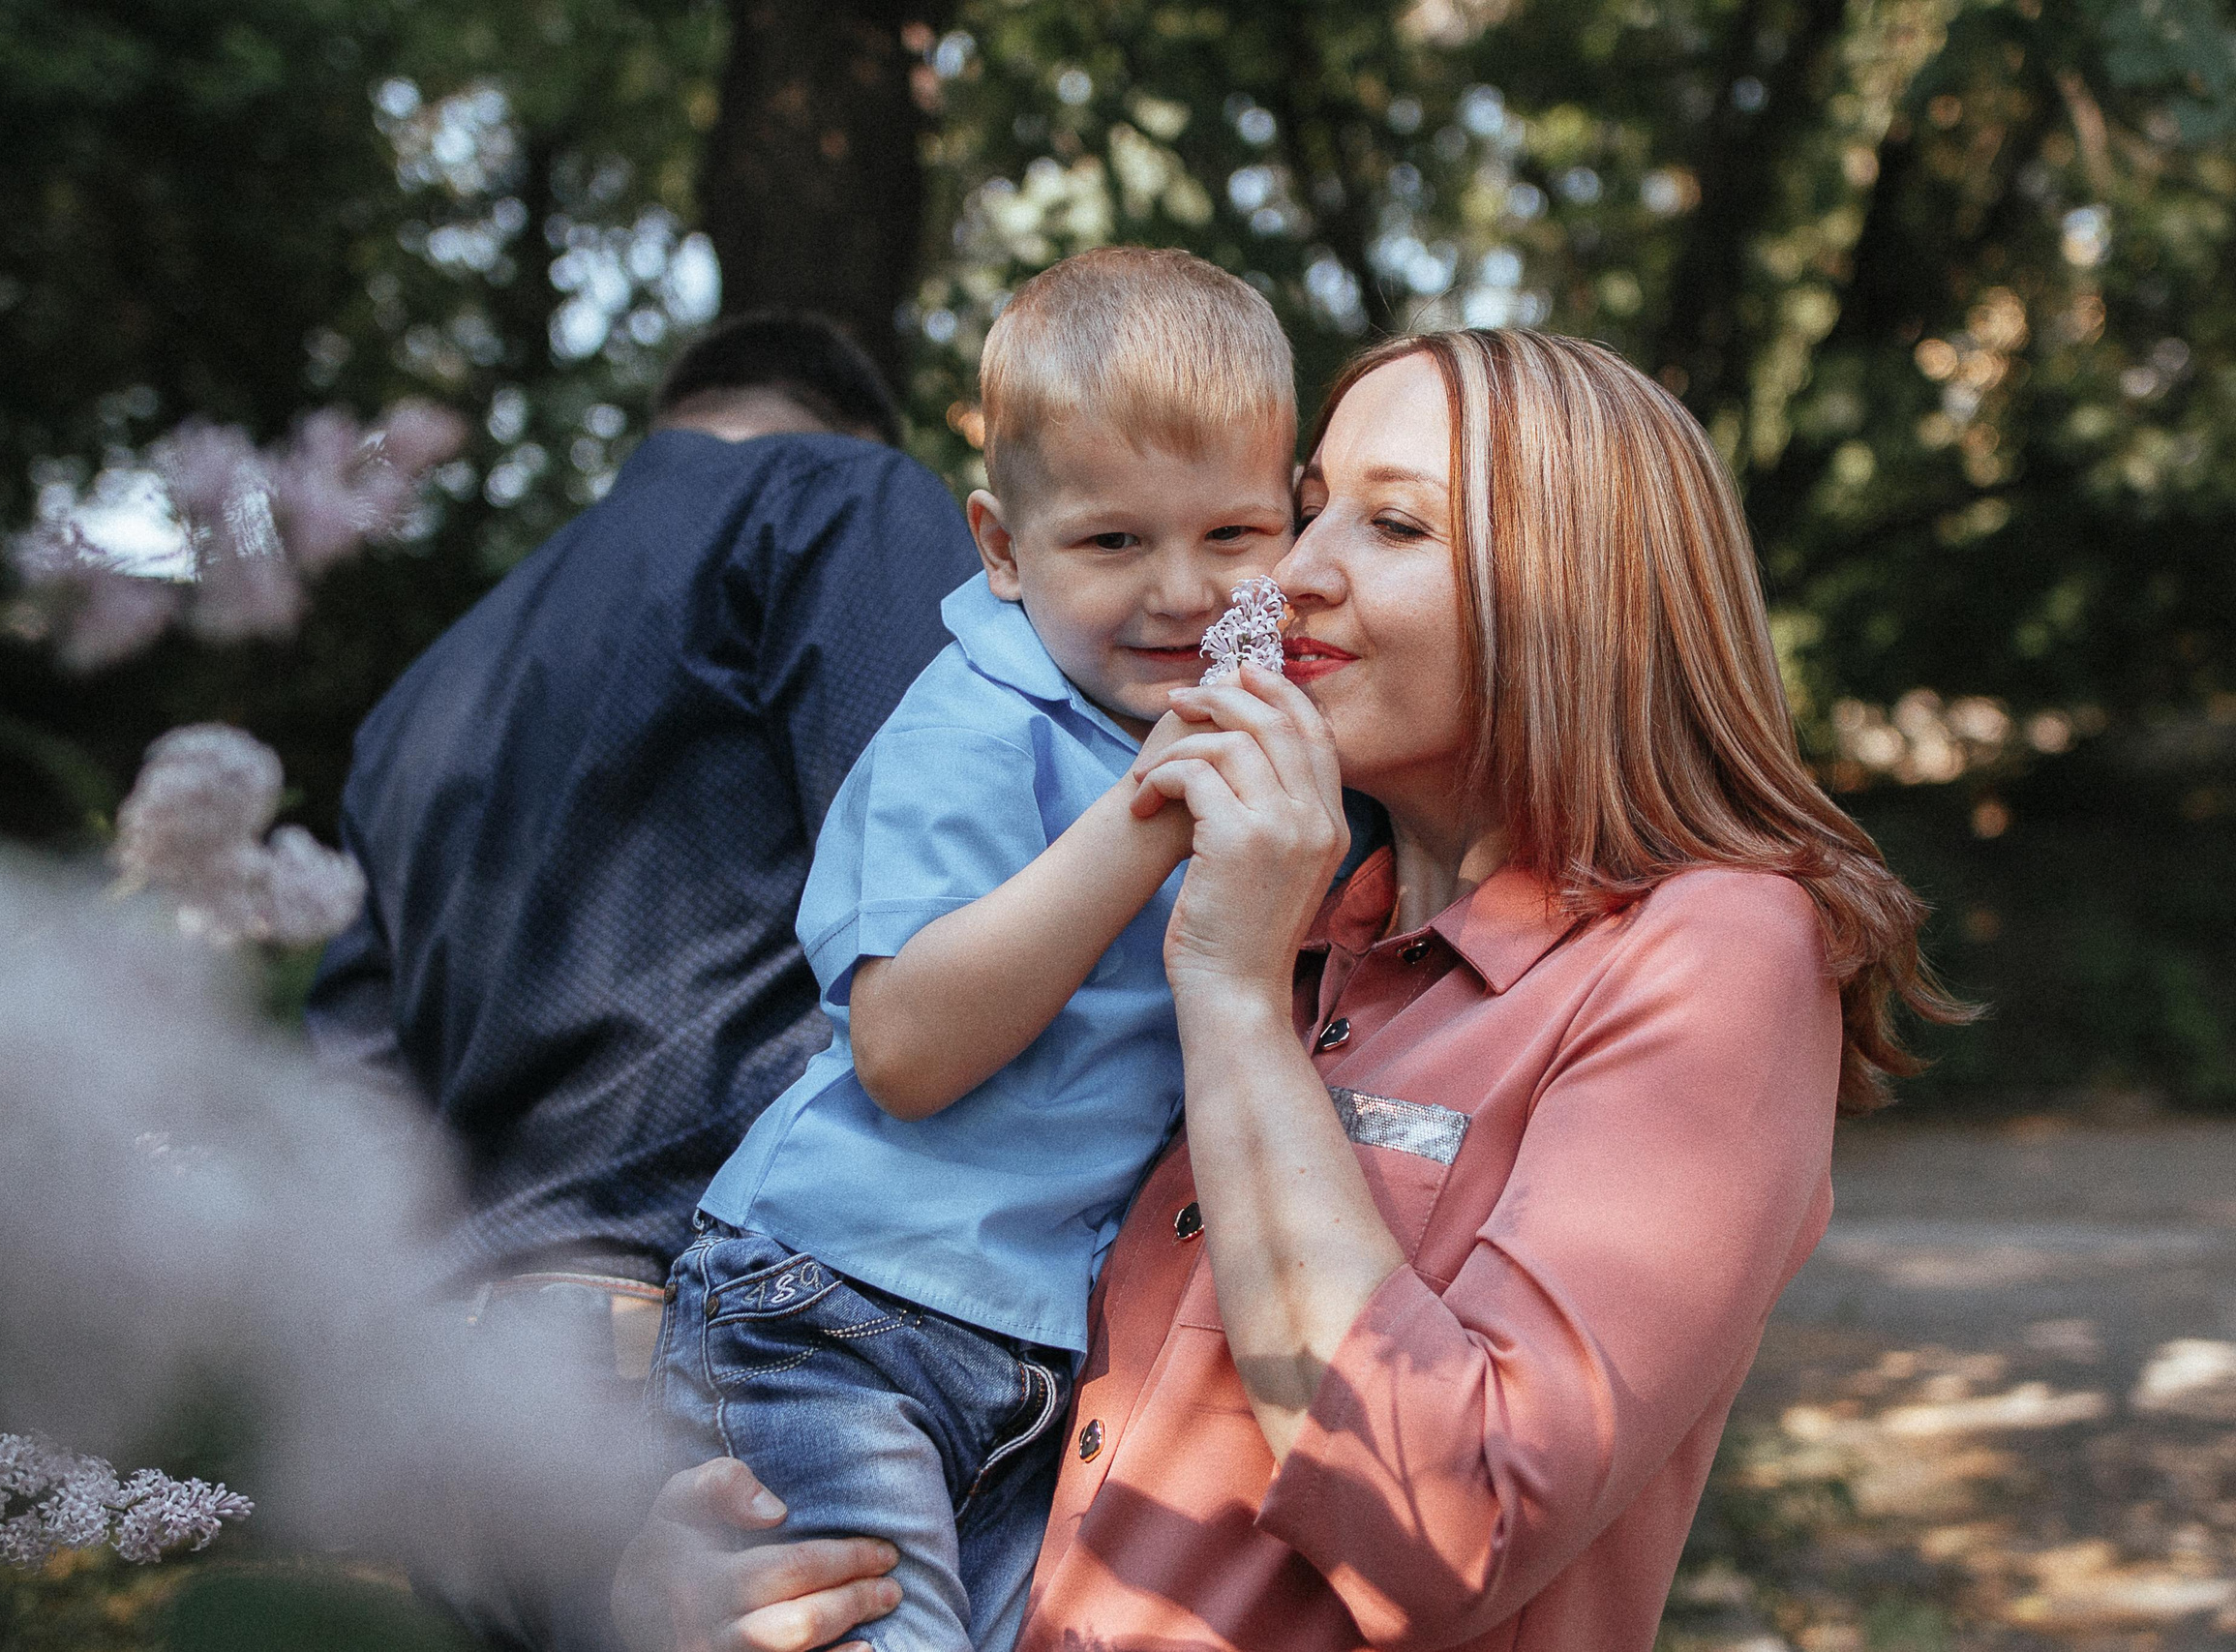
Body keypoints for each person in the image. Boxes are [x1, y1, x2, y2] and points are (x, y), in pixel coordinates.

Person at [611, 327, 1968, 1652]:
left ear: (1582, 594)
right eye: (1310, 509)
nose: (1288, 576)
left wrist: (1235, 995)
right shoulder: (1295, 913)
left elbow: (1457, 1519)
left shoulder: (1710, 946)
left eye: (1393, 525)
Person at [651, 248, 1298, 1652]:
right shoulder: (977, 724)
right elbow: (904, 1049)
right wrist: (1144, 819)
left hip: (1032, 1354)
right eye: (1113, 542)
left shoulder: (1221, 723)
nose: (1183, 592)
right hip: (838, 1313)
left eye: (1235, 537)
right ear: (1002, 547)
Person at [305, 312, 980, 1377]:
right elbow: (954, 889)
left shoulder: (417, 698)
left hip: (456, 1384)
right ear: (861, 428)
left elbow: (349, 1095)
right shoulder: (841, 495)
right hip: (735, 1333)